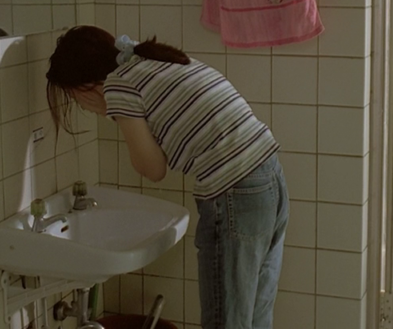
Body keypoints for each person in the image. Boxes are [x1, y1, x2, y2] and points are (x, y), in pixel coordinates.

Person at [45, 26, 289, 329]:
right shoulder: (145, 59)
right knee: (255, 316)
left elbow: (152, 169)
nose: (81, 107)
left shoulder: (119, 86)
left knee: (226, 322)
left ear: (81, 86)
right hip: (268, 176)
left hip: (234, 192)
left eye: (73, 97)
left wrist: (114, 112)